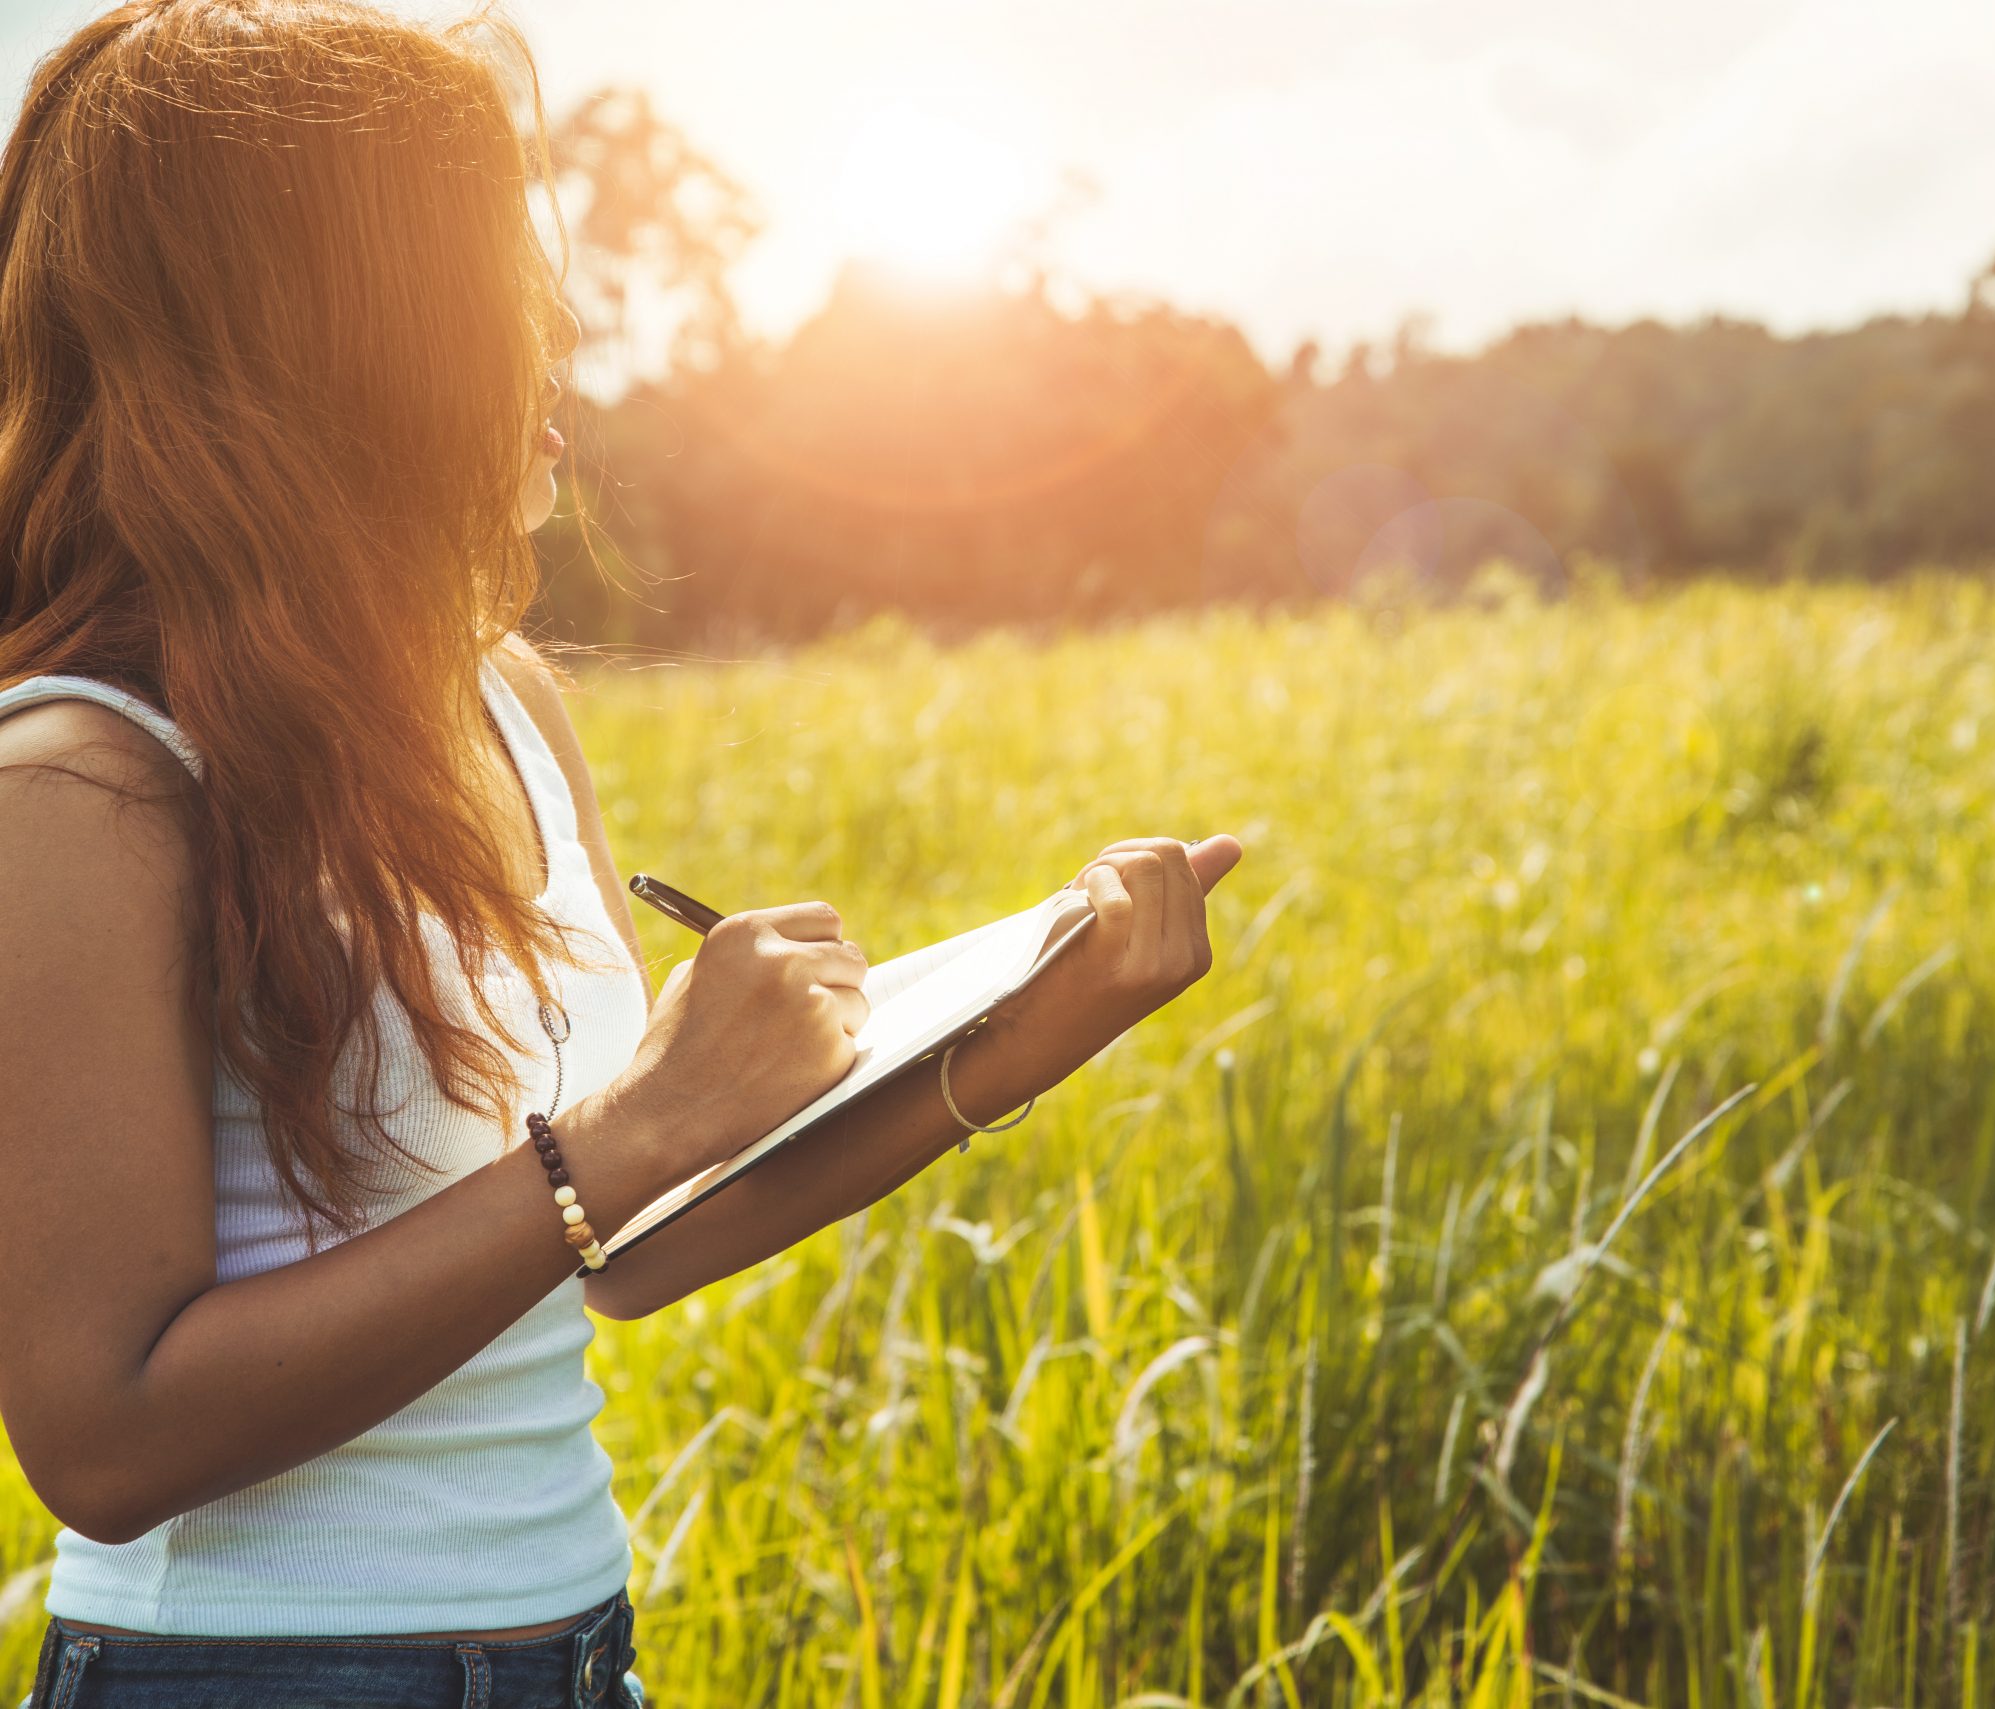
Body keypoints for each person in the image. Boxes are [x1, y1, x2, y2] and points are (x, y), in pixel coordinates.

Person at [0, 3, 1244, 1704]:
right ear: (348, 344)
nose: (555, 337)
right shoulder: (86, 788)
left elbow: (633, 1240)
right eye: (501, 286)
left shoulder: (497, 708)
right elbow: (106, 1432)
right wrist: (622, 1129)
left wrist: (1039, 1019)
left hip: (576, 1656)